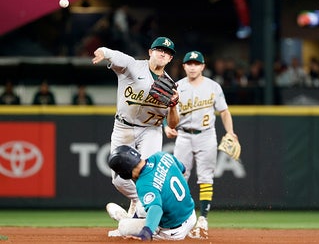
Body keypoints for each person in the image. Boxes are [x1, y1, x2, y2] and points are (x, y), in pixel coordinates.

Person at [92, 37, 180, 218]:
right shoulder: (133, 66)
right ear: (150, 52)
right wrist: (103, 52)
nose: (163, 53)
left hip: (150, 130)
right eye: (159, 50)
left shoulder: (171, 86)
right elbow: (116, 56)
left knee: (148, 175)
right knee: (118, 179)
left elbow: (172, 124)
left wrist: (173, 105)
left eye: (168, 53)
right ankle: (141, 202)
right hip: (123, 127)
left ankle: (141, 214)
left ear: (170, 59)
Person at [164, 51, 239, 239]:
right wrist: (166, 126)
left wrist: (230, 132)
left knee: (206, 177)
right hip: (183, 135)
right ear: (184, 66)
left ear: (203, 66)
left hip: (206, 135)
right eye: (189, 63)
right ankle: (185, 217)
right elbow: (165, 112)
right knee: (180, 177)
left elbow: (224, 111)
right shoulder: (177, 86)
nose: (192, 66)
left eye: (196, 64)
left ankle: (203, 218)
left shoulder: (213, 86)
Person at [106, 145, 196, 241]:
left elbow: (156, 209)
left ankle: (125, 219)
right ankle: (132, 218)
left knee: (123, 226)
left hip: (173, 232)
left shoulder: (143, 184)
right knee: (142, 204)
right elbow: (182, 169)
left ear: (124, 171)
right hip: (191, 216)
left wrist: (146, 234)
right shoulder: (161, 155)